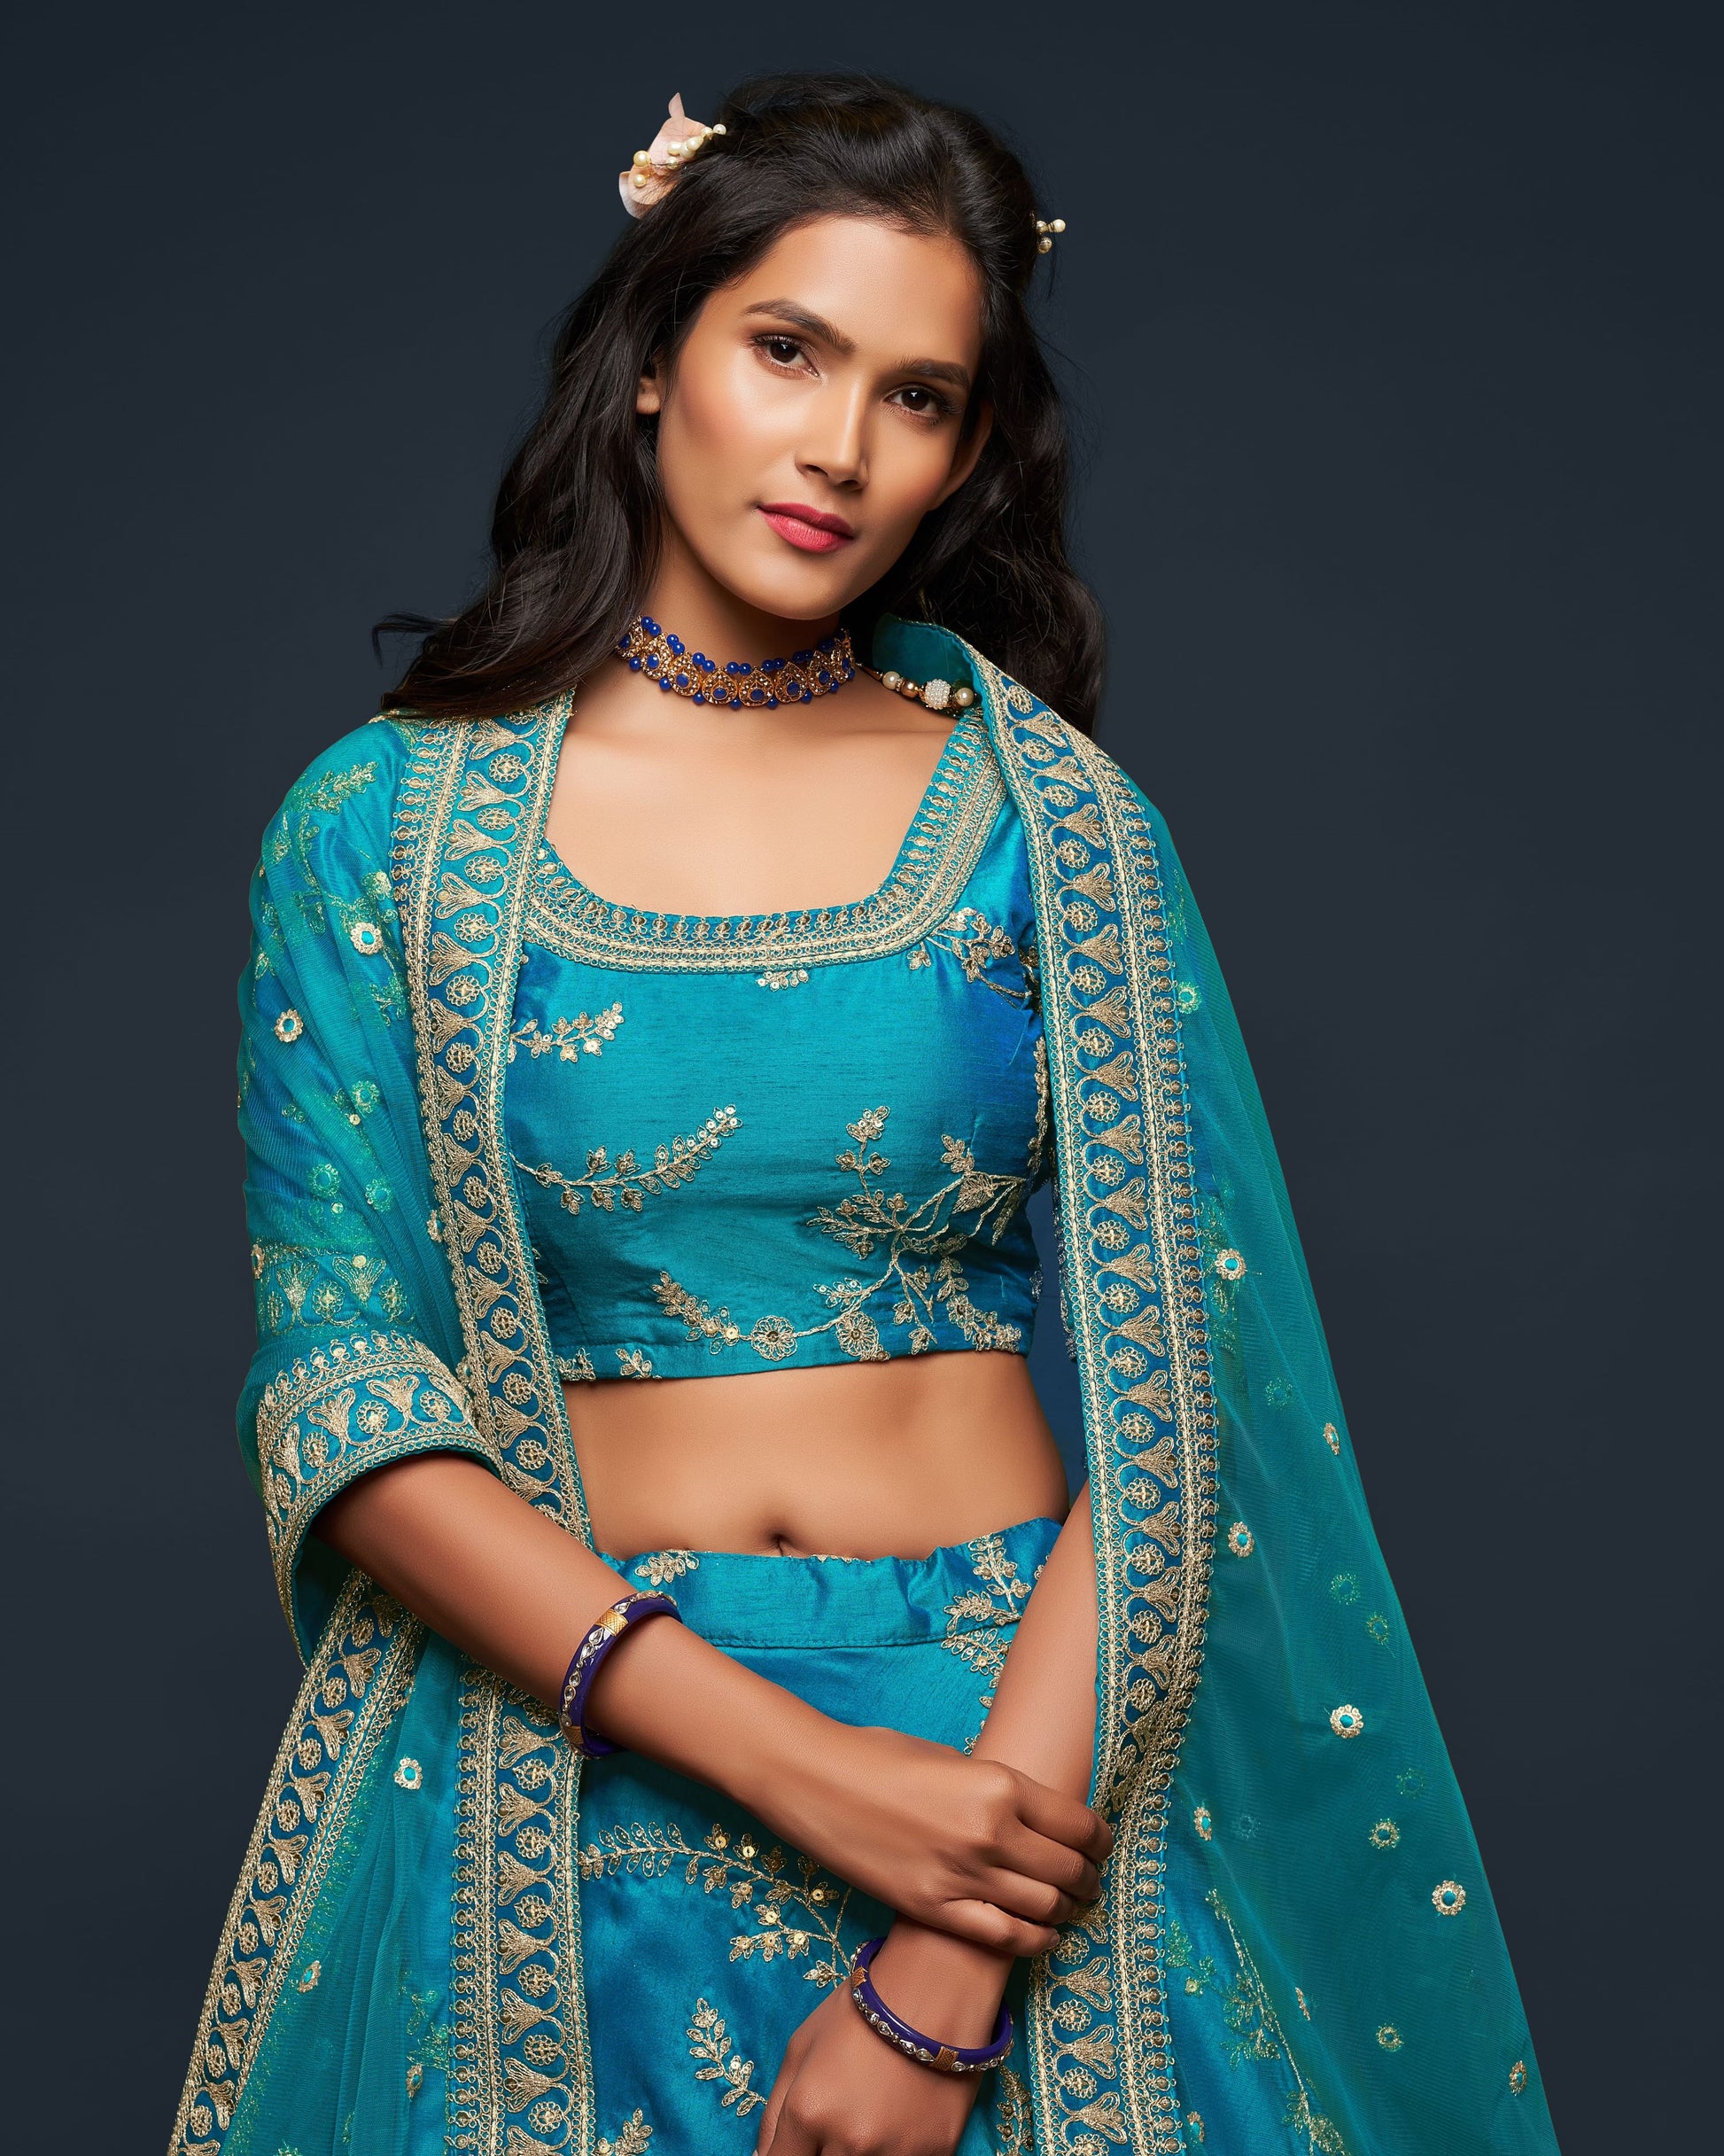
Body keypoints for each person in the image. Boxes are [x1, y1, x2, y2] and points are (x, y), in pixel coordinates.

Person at [173, 72, 1559, 2156]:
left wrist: (947, 1951)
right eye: (787, 349)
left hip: (1014, 1773)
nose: (836, 446)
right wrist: (796, 1765)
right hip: (571, 1749)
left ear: (970, 453)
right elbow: (347, 1393)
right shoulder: (384, 825)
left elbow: (1196, 1395)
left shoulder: (1049, 823)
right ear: (656, 361)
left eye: (918, 396)